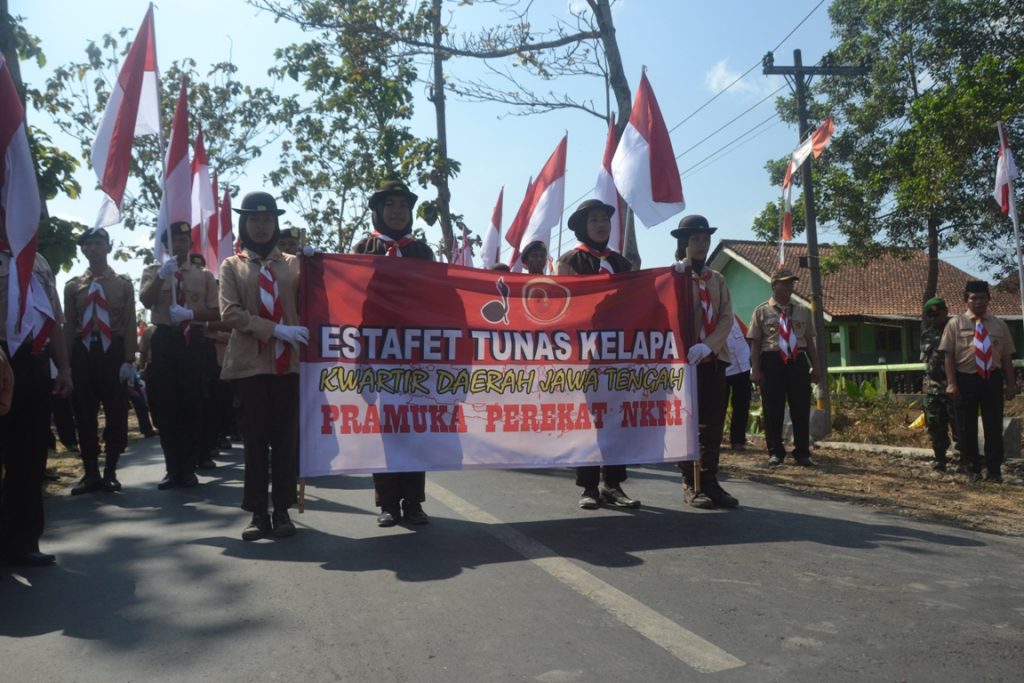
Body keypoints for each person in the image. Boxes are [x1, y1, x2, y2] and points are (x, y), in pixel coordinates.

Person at [220, 191, 307, 540]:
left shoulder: (295, 264)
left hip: (289, 366)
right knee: (255, 442)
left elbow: (314, 300)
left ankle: (283, 510)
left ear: (276, 223)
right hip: (249, 365)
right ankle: (258, 512)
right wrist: (275, 329)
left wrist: (320, 268)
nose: (261, 226)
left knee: (285, 441)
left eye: (267, 219)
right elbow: (230, 313)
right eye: (254, 220)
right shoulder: (232, 265)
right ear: (244, 223)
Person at [352, 180, 434, 527]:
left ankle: (413, 501)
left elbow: (438, 300)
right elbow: (349, 297)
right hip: (376, 349)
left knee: (414, 427)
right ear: (378, 211)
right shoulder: (362, 248)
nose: (397, 212)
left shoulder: (422, 252)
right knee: (383, 428)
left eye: (403, 206)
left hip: (416, 350)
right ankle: (387, 503)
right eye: (390, 206)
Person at [557, 198, 639, 510]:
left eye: (605, 219)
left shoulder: (621, 264)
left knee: (616, 420)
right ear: (582, 226)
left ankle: (613, 483)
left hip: (617, 356)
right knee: (587, 422)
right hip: (584, 358)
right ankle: (588, 486)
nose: (601, 224)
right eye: (594, 219)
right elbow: (562, 310)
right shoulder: (570, 262)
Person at [0, 233, 73, 566]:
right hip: (2, 357)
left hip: (35, 359)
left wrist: (64, 368)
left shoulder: (39, 261)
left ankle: (24, 540)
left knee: (29, 457)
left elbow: (54, 317)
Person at [140, 222, 220, 490]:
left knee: (192, 402)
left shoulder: (203, 275)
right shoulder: (153, 271)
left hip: (192, 339)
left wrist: (190, 314)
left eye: (185, 240)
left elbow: (217, 311)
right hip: (163, 339)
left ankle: (188, 467)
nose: (181, 245)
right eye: (175, 241)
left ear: (191, 244)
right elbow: (145, 300)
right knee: (166, 406)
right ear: (166, 246)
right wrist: (163, 275)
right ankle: (171, 468)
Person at [63, 228, 138, 494]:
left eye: (97, 244)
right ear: (83, 250)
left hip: (113, 352)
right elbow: (69, 324)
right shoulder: (73, 286)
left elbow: (130, 322)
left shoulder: (123, 283)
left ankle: (111, 470)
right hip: (83, 352)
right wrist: (64, 364)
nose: (92, 249)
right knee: (83, 413)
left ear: (108, 247)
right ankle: (91, 471)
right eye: (88, 245)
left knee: (117, 412)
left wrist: (130, 359)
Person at [672, 215, 737, 509]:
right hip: (685, 363)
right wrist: (687, 349)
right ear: (684, 244)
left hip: (714, 359)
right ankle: (691, 483)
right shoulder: (673, 276)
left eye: (705, 240)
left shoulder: (717, 279)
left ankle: (710, 481)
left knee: (712, 425)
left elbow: (726, 318)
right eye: (695, 240)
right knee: (687, 424)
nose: (701, 244)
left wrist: (708, 346)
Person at [940, 280, 1016, 483]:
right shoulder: (955, 324)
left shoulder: (1000, 325)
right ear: (966, 300)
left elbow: (1007, 357)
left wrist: (1011, 384)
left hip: (992, 379)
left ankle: (994, 470)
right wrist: (952, 383)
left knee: (993, 426)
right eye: (974, 298)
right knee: (966, 426)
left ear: (989, 299)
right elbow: (948, 356)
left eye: (983, 297)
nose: (979, 301)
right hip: (965, 380)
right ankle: (972, 467)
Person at [748, 266, 821, 469]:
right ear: (774, 285)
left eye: (791, 282)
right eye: (785, 282)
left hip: (797, 360)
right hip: (772, 361)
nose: (789, 286)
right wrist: (755, 369)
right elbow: (754, 343)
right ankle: (775, 452)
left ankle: (802, 452)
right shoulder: (762, 311)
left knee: (800, 407)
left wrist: (816, 368)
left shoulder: (802, 311)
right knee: (773, 409)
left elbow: (809, 341)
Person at [920, 297, 958, 471]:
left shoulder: (956, 330)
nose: (935, 318)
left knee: (959, 424)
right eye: (931, 315)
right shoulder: (926, 334)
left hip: (955, 387)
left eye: (938, 314)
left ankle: (962, 458)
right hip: (933, 388)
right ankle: (940, 458)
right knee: (935, 425)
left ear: (946, 312)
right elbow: (927, 362)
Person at [723, 315, 752, 451]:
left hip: (743, 365)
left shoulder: (733, 317)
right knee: (718, 406)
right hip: (721, 368)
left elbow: (748, 335)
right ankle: (714, 440)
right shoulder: (708, 316)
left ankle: (738, 440)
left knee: (742, 404)